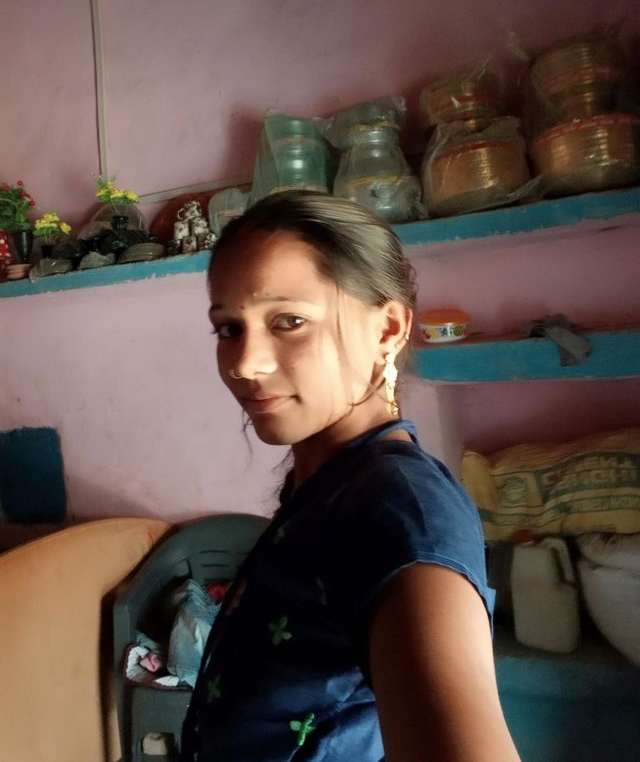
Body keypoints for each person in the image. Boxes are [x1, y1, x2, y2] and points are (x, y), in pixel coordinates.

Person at [180, 192, 520, 762]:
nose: (245, 363)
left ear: (387, 329)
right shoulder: (329, 483)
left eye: (289, 322)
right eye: (229, 328)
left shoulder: (399, 512)